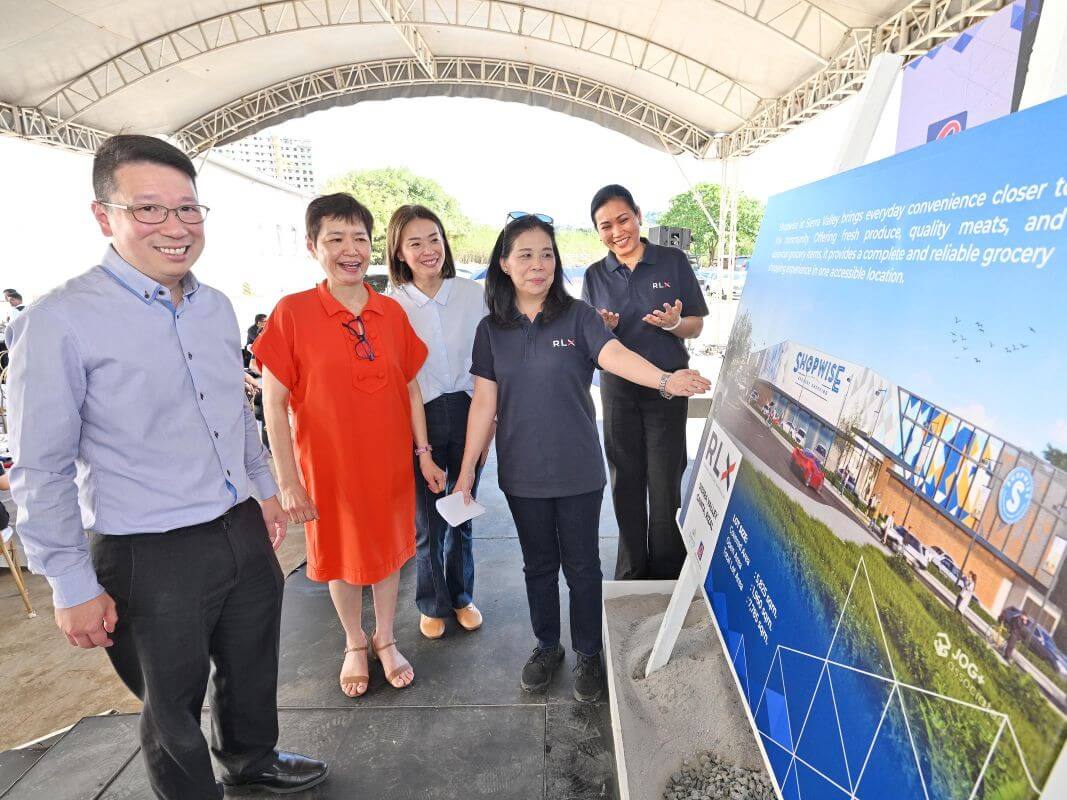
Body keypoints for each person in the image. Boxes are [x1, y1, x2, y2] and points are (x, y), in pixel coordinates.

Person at [5, 134, 327, 799]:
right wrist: (69, 583)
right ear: (104, 216)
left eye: (188, 209)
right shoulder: (60, 320)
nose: (175, 227)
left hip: (238, 526)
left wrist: (263, 491)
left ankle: (251, 760)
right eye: (149, 209)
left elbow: (232, 415)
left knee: (252, 662)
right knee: (170, 704)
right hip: (148, 553)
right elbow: (41, 468)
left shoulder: (214, 307)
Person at [453, 214, 710, 702]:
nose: (538, 265)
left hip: (578, 471)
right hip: (522, 472)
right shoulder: (491, 330)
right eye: (526, 255)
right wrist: (467, 471)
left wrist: (664, 379)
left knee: (583, 567)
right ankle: (547, 646)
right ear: (504, 264)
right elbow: (484, 403)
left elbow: (615, 357)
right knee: (537, 566)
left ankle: (589, 651)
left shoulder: (578, 316)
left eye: (547, 254)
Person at [254, 193, 442, 699]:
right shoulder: (292, 312)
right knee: (340, 557)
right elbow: (273, 403)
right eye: (335, 239)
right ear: (313, 246)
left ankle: (386, 638)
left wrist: (423, 454)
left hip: (388, 464)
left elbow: (410, 389)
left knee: (388, 555)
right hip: (328, 469)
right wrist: (287, 481)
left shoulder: (390, 313)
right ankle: (354, 642)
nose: (349, 250)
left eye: (359, 238)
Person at [582, 185, 710, 580]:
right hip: (618, 391)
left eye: (623, 219)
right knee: (625, 480)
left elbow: (696, 325)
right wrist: (603, 329)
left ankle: (668, 572)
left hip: (668, 390)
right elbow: (589, 339)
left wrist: (675, 324)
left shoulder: (672, 261)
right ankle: (632, 571)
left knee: (665, 479)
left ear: (638, 215)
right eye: (606, 226)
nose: (617, 231)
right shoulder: (594, 275)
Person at [386, 205, 489, 640]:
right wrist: (420, 448)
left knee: (462, 511)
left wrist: (489, 428)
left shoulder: (472, 293)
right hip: (418, 418)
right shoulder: (391, 305)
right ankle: (431, 603)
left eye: (434, 239)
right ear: (399, 252)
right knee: (427, 523)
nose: (428, 250)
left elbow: (489, 366)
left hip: (470, 410)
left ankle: (462, 596)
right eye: (415, 243)